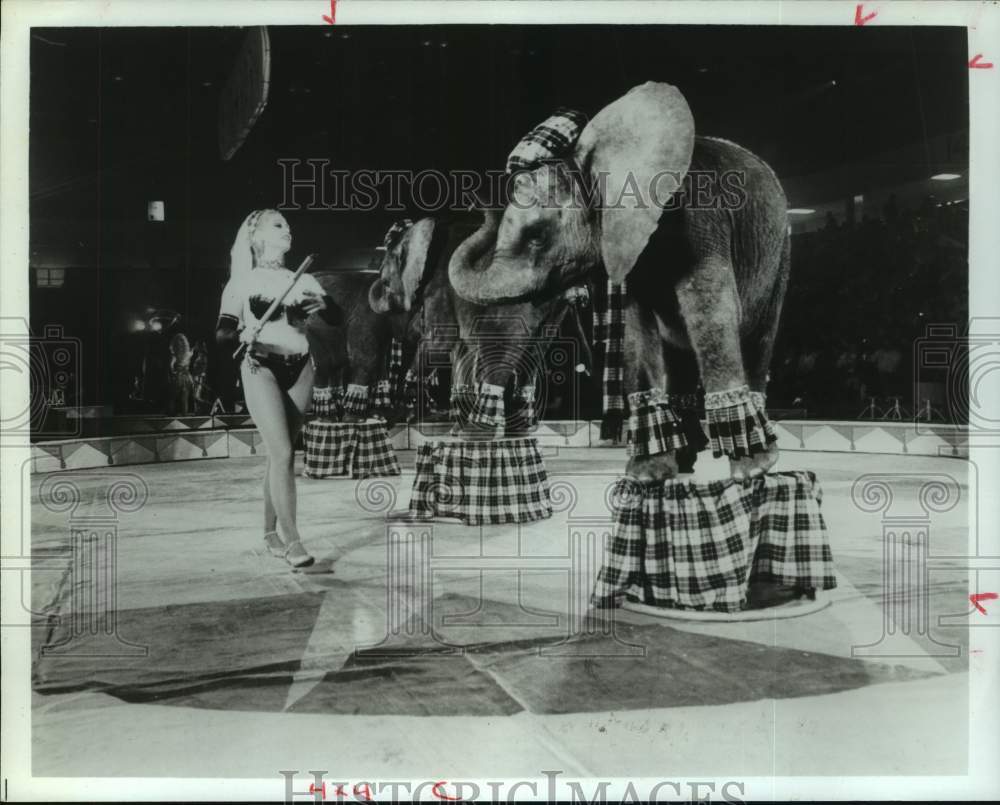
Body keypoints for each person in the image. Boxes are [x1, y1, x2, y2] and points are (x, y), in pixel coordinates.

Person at [215, 209, 342, 568]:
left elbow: (335, 318)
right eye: (278, 224)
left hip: (301, 367)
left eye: (287, 225)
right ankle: (293, 540)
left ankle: (269, 533)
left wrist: (327, 304)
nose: (288, 230)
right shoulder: (242, 281)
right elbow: (222, 333)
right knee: (284, 453)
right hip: (261, 367)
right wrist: (243, 332)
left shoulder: (300, 278)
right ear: (257, 236)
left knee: (278, 456)